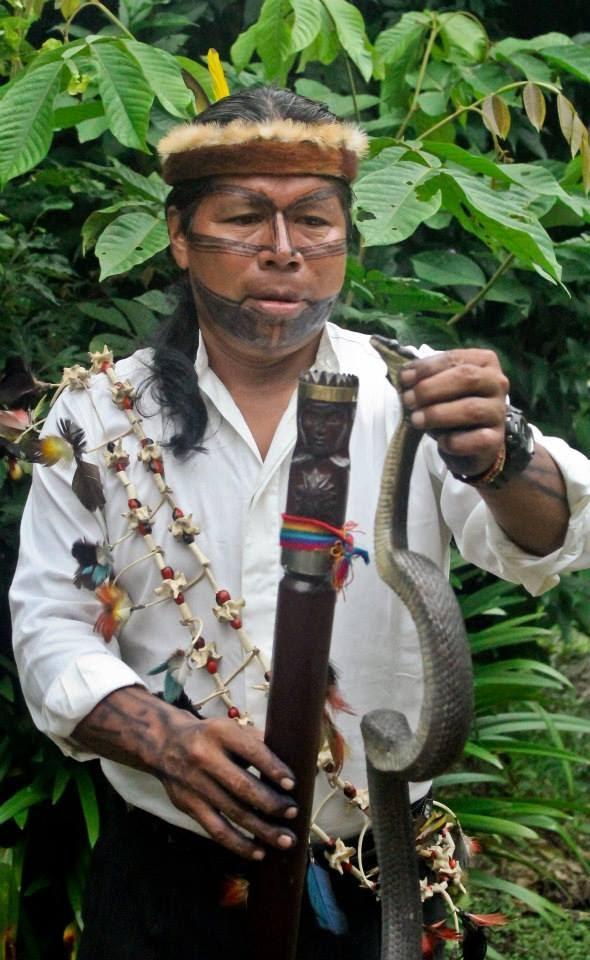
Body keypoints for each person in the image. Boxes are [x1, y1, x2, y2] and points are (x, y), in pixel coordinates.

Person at [9, 87, 590, 960]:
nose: (283, 251)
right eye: (245, 218)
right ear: (179, 235)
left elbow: (552, 537)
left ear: (345, 238)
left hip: (380, 876)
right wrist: (165, 740)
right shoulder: (99, 415)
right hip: (166, 878)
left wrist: (500, 455)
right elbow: (51, 623)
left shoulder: (417, 394)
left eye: (314, 220)